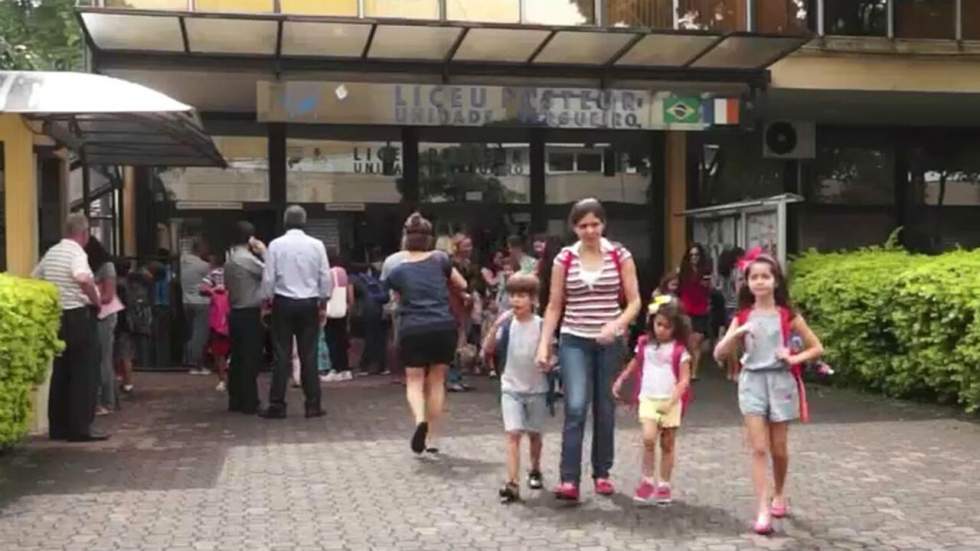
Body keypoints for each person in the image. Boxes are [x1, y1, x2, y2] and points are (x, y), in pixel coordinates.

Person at [536, 198, 641, 501]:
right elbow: (555, 304)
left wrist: (616, 325)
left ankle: (602, 473)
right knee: (577, 405)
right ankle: (569, 478)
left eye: (595, 224)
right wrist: (545, 343)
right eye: (583, 226)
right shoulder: (564, 259)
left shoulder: (620, 255)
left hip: (609, 341)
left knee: (605, 406)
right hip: (574, 338)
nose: (590, 230)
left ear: (604, 225)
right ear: (574, 228)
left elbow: (635, 302)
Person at [713, 253, 823, 535]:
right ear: (747, 283)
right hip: (751, 383)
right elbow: (718, 353)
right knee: (759, 448)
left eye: (765, 276)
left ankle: (779, 493)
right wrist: (734, 336)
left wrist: (793, 358)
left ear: (775, 281)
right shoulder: (742, 316)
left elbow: (816, 347)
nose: (760, 282)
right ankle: (762, 509)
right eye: (754, 277)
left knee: (779, 449)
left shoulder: (788, 315)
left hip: (781, 383)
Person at [385, 212, 468, 454]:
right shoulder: (440, 259)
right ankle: (432, 436)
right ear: (429, 238)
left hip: (413, 327)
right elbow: (461, 284)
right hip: (443, 325)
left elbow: (393, 297)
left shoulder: (397, 270)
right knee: (437, 381)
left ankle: (419, 419)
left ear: (405, 238)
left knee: (414, 380)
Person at [32, 213, 107, 442]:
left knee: (62, 371)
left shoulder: (53, 252)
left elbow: (34, 277)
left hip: (58, 317)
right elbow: (83, 278)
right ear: (84, 234)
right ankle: (80, 428)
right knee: (84, 373)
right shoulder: (76, 253)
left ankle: (58, 426)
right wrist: (96, 299)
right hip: (78, 316)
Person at [612, 298, 692, 506]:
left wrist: (673, 400)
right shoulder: (644, 344)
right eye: (659, 324)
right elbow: (636, 363)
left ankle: (664, 483)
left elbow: (684, 380)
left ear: (676, 327)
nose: (662, 330)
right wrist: (622, 379)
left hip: (670, 401)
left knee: (667, 443)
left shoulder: (680, 351)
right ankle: (647, 479)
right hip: (648, 397)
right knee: (648, 438)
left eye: (667, 326)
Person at [259, 206, 332, 419]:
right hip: (309, 303)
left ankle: (277, 405)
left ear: (284, 221)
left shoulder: (275, 245)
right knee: (309, 355)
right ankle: (313, 404)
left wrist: (266, 303)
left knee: (281, 355)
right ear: (304, 221)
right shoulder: (316, 245)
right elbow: (324, 277)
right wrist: (323, 304)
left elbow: (269, 278)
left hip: (283, 302)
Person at [482, 274, 549, 503]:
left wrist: (548, 362)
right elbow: (487, 349)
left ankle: (535, 468)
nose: (516, 301)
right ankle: (512, 483)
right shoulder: (507, 324)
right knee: (513, 434)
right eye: (512, 295)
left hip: (537, 388)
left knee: (535, 434)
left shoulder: (541, 325)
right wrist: (496, 325)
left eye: (521, 296)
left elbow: (551, 354)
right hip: (510, 387)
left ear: (533, 300)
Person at [223, 222, 265, 414]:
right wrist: (264, 251)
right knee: (250, 358)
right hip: (248, 312)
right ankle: (249, 401)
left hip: (236, 311)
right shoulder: (246, 258)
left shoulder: (231, 258)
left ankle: (236, 398)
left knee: (238, 358)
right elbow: (269, 272)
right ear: (250, 239)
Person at [86, 236, 123, 416]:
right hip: (95, 314)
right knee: (100, 358)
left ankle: (107, 402)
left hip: (105, 315)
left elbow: (108, 295)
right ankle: (110, 399)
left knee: (104, 359)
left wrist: (88, 297)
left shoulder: (106, 266)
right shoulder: (87, 264)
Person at [678, 243, 712, 381]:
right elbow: (678, 289)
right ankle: (688, 370)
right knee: (688, 342)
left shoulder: (705, 272)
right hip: (686, 308)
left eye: (696, 255)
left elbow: (709, 290)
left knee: (695, 342)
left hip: (701, 309)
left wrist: (707, 286)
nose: (694, 258)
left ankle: (694, 372)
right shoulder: (683, 272)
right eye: (691, 255)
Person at [351, 259, 390, 376]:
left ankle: (370, 366)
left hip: (367, 311)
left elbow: (352, 296)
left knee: (370, 338)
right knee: (379, 338)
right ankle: (380, 365)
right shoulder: (375, 280)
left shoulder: (355, 279)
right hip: (378, 309)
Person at [181, 238, 212, 375]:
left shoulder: (183, 261)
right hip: (202, 302)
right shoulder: (203, 266)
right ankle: (196, 364)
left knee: (191, 332)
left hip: (186, 301)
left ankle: (188, 359)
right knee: (200, 334)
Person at [322, 248, 354, 382]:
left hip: (331, 310)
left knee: (331, 339)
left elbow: (325, 293)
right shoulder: (342, 272)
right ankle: (345, 369)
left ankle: (335, 369)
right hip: (343, 309)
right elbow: (349, 294)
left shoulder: (327, 273)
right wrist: (349, 306)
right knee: (341, 339)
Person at [201, 255, 231, 392]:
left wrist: (213, 291)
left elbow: (202, 288)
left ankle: (222, 380)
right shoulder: (235, 273)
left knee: (219, 351)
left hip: (219, 318)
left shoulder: (214, 274)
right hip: (235, 313)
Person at [716, 246, 745, 381]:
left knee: (730, 339)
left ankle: (730, 371)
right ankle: (736, 371)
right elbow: (739, 290)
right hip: (736, 307)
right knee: (736, 341)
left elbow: (718, 289)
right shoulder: (736, 272)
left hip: (726, 306)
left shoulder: (723, 273)